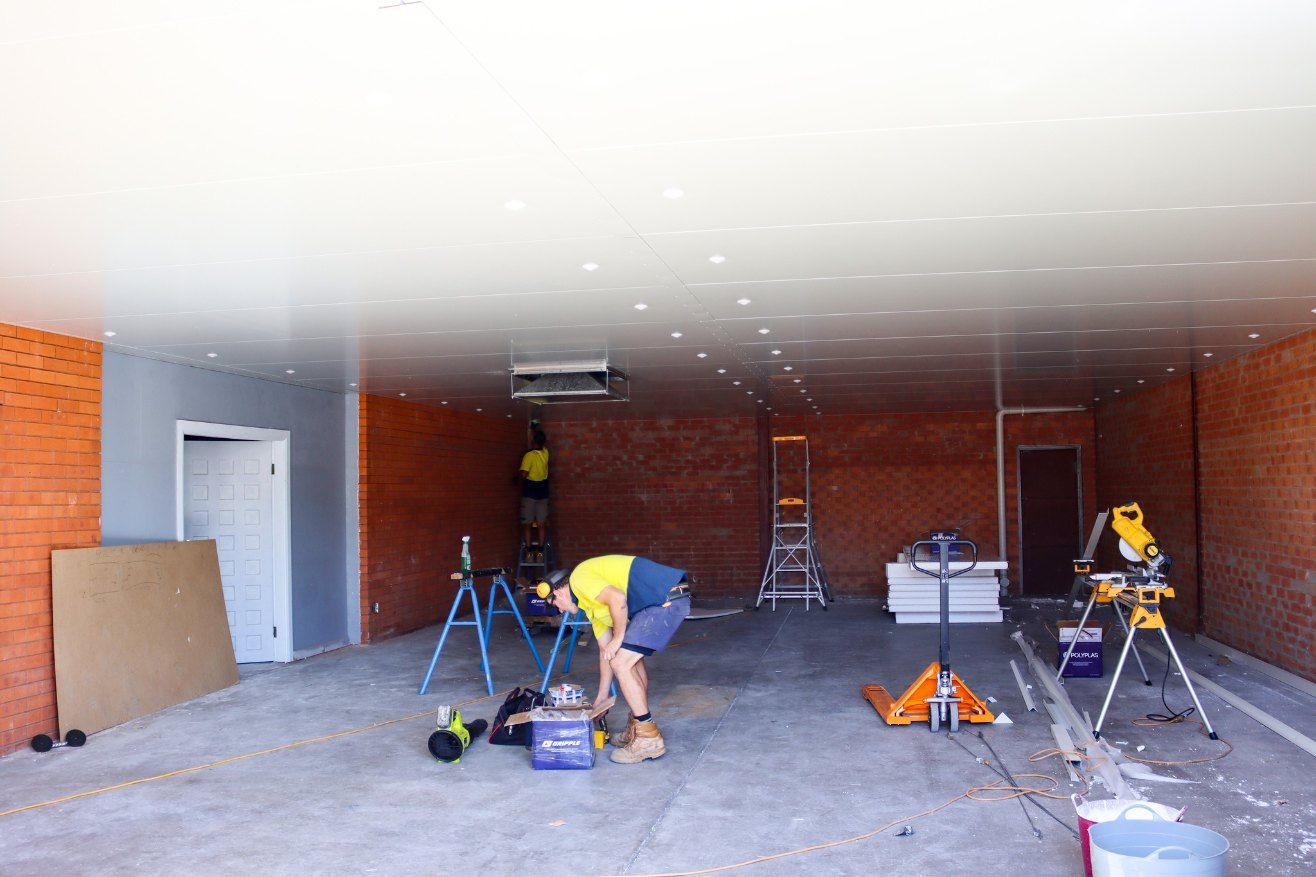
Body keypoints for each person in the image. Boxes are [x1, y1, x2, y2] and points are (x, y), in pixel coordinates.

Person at [540, 556, 690, 764]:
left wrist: (619, 637)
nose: (560, 610)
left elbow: (618, 599)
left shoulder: (579, 578)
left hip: (663, 598)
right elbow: (606, 652)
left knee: (621, 663)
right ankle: (638, 726)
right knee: (630, 661)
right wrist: (602, 696)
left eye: (555, 604)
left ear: (557, 593)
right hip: (656, 602)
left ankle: (648, 739)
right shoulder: (590, 605)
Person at [515, 429, 550, 556]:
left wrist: (516, 479)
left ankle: (529, 551)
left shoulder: (529, 456)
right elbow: (541, 444)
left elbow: (524, 474)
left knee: (527, 524)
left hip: (530, 493)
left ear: (533, 441)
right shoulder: (545, 453)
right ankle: (540, 551)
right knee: (541, 524)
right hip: (543, 492)